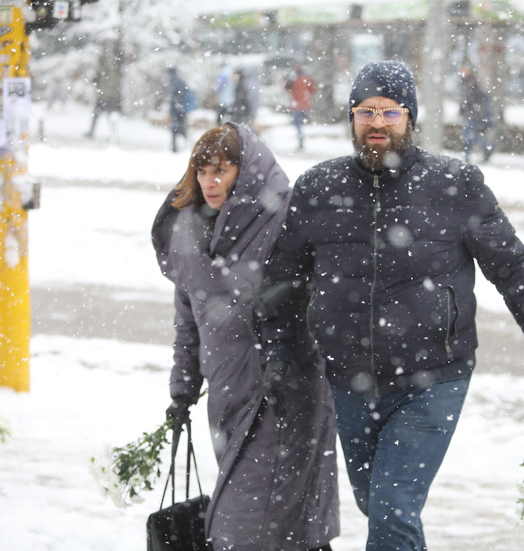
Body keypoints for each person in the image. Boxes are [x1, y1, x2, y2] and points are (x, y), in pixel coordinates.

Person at [255, 60, 524, 551]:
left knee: (393, 507)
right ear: (352, 117)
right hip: (349, 378)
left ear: (410, 116)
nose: (377, 123)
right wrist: (275, 351)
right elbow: (282, 280)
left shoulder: (456, 184)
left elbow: (512, 266)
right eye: (365, 111)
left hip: (434, 376)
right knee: (376, 503)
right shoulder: (319, 187)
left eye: (389, 111)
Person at [150, 123, 340, 551]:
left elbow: (319, 296)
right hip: (228, 397)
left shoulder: (282, 222)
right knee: (285, 529)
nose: (209, 182)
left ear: (247, 171)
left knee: (247, 528)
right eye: (202, 171)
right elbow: (188, 322)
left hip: (285, 394)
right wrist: (182, 391)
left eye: (221, 170)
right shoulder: (188, 234)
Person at [85, 47, 123, 141]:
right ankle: (112, 135)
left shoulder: (105, 70)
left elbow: (96, 79)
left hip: (105, 94)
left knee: (100, 115)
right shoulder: (115, 69)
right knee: (109, 116)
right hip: (109, 95)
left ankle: (95, 132)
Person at [459, 65, 494, 163]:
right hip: (474, 113)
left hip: (473, 114)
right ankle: (467, 157)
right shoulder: (470, 82)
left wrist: (462, 110)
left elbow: (466, 99)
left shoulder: (469, 83)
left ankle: (486, 146)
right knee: (468, 137)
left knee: (468, 136)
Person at [285, 65, 316, 150]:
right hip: (305, 104)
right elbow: (313, 89)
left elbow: (287, 88)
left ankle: (301, 140)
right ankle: (301, 139)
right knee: (300, 123)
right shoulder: (307, 79)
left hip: (297, 105)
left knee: (298, 124)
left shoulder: (294, 80)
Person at [165, 67, 195, 153]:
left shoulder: (174, 83)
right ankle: (187, 144)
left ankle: (175, 148)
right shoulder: (180, 82)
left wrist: (170, 112)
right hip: (182, 109)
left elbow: (173, 99)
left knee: (175, 128)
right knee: (180, 128)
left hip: (177, 110)